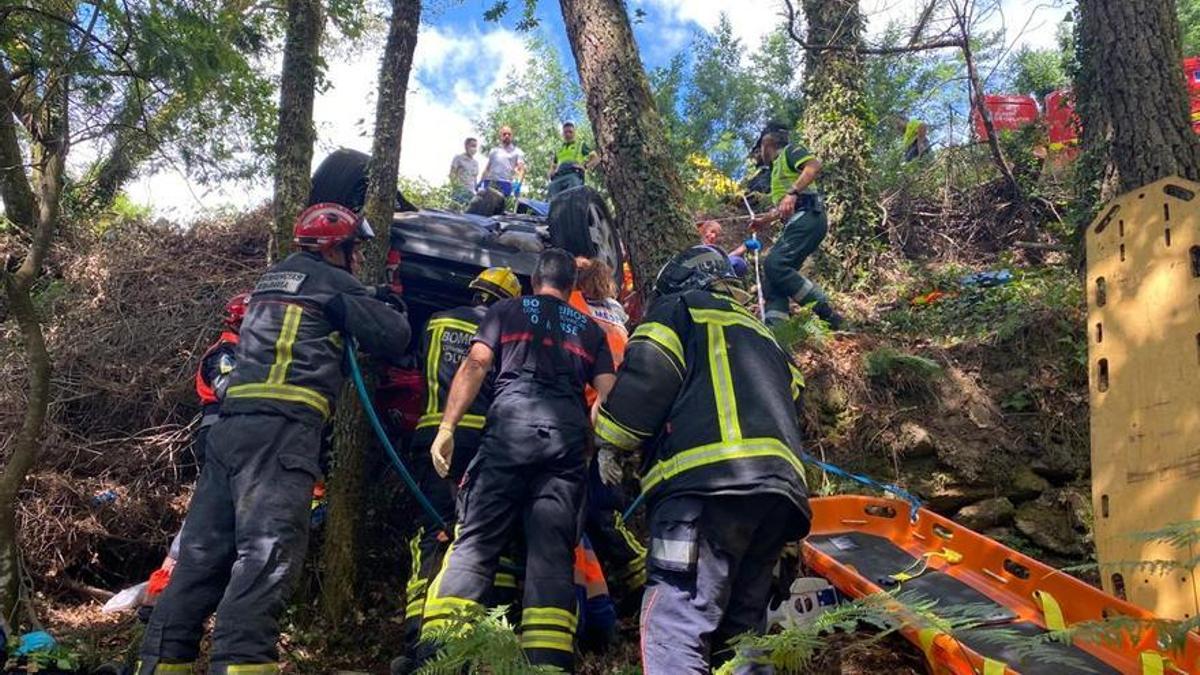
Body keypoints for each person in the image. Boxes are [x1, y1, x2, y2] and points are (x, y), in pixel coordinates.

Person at [134, 203, 411, 674]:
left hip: (230, 431)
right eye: (353, 249)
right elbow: (394, 337)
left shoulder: (268, 283)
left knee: (201, 556)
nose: (356, 258)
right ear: (335, 248)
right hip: (281, 436)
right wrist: (387, 302)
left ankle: (161, 662)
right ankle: (242, 661)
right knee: (267, 555)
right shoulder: (334, 283)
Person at [594, 245, 812, 674]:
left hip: (703, 493)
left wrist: (609, 441)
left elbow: (647, 381)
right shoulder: (765, 334)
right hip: (777, 499)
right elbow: (796, 398)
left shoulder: (678, 311)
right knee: (744, 635)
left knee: (676, 622)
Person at [413, 248, 616, 672]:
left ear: (533, 281)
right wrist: (597, 444)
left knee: (476, 546)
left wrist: (447, 427)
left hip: (507, 435)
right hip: (564, 446)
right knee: (552, 555)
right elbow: (606, 397)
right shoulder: (591, 331)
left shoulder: (505, 311)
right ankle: (548, 664)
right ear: (572, 287)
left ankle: (438, 658)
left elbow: (476, 364)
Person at [397, 267, 522, 657]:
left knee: (431, 533)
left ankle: (417, 631)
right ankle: (482, 632)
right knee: (481, 533)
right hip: (482, 440)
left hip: (433, 435)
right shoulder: (504, 331)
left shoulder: (434, 322)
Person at [751, 129, 841, 328]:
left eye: (759, 149)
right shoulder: (776, 171)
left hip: (809, 216)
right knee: (774, 279)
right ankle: (777, 329)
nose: (759, 155)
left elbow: (813, 166)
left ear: (767, 142)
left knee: (775, 264)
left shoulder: (789, 151)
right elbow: (784, 207)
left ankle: (827, 312)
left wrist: (792, 192)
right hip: (797, 221)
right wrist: (764, 221)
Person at [548, 121, 599, 197]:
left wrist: (585, 167)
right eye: (565, 132)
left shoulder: (580, 145)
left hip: (573, 175)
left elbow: (596, 158)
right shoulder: (559, 149)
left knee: (574, 198)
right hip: (558, 177)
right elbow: (553, 165)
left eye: (570, 132)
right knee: (553, 200)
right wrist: (551, 173)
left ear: (574, 133)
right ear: (563, 134)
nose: (568, 134)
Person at [480, 126, 526, 198]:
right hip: (490, 181)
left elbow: (521, 169)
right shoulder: (494, 151)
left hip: (505, 183)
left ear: (512, 136)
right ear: (500, 136)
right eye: (504, 134)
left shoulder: (517, 152)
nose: (507, 136)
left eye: (509, 134)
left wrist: (518, 184)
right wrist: (481, 181)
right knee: (484, 206)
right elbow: (487, 168)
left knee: (497, 207)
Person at [449, 137, 480, 204]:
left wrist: (476, 191)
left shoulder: (475, 163)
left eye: (475, 146)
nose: (474, 148)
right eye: (472, 146)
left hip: (471, 193)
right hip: (460, 192)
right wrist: (455, 187)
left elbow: (475, 179)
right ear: (466, 146)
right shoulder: (458, 158)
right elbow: (452, 174)